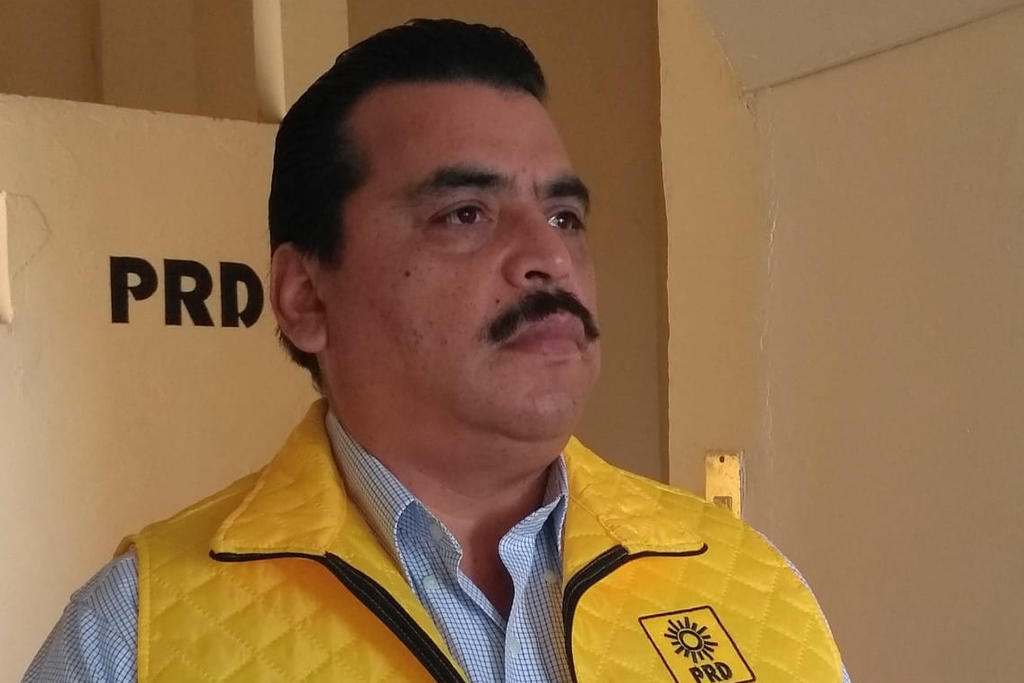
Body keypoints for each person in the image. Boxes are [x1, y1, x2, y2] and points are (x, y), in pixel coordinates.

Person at [25, 19, 849, 683]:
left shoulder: (746, 582)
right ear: (306, 297)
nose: (550, 256)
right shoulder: (134, 636)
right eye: (465, 214)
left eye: (564, 216)